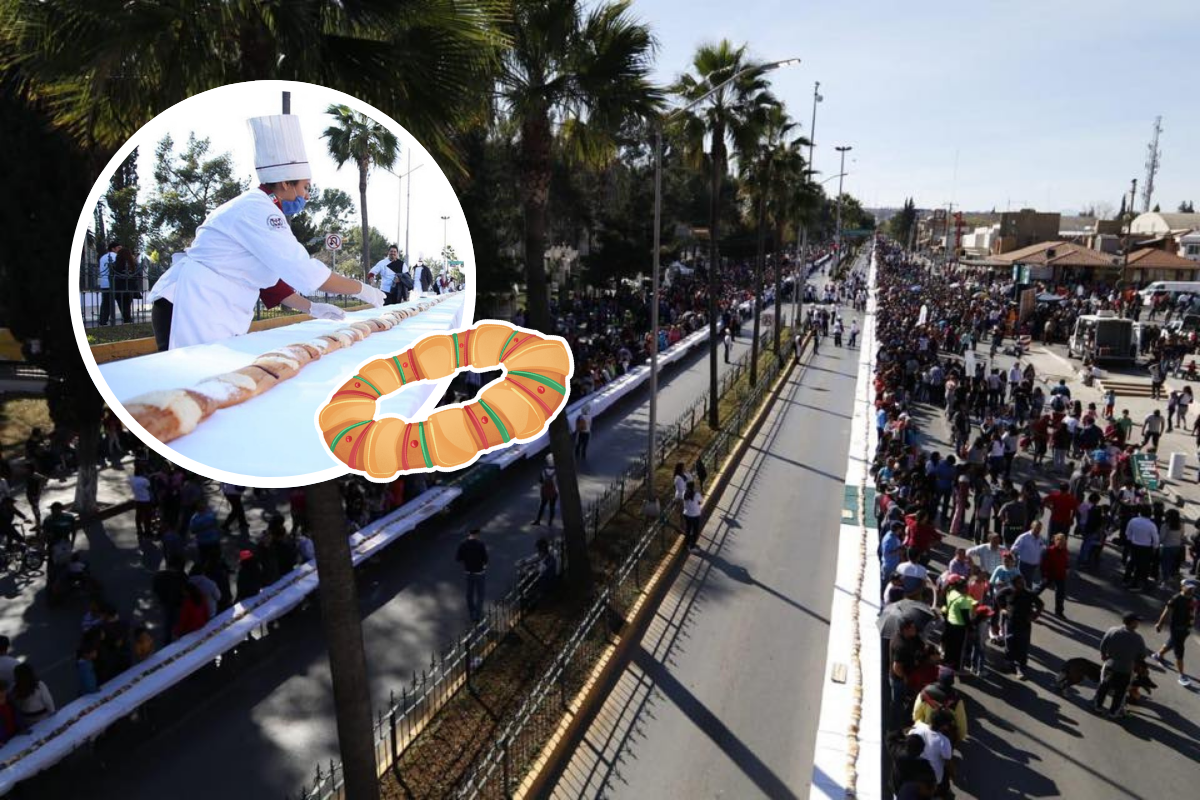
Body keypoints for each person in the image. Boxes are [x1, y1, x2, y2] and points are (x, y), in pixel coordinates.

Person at [145, 113, 382, 350]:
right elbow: (306, 272)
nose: (307, 196)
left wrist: (311, 308)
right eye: (305, 187)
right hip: (192, 303)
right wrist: (363, 290)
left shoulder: (263, 208)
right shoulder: (257, 209)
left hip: (211, 304)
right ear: (286, 184)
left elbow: (270, 280)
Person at [1094, 613, 1146, 717]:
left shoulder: (1113, 630)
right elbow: (1142, 655)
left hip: (1110, 665)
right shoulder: (1138, 638)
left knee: (1103, 686)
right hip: (1125, 669)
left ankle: (1098, 706)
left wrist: (1104, 655)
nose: (1138, 624)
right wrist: (1134, 661)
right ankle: (1113, 712)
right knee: (1120, 692)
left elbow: (1103, 644)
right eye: (1137, 622)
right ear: (1132, 623)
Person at [1152, 578, 1197, 687]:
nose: (1191, 590)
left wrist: (1190, 625)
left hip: (1186, 629)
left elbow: (1193, 613)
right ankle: (1181, 675)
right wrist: (1160, 623)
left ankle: (1158, 655)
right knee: (1179, 651)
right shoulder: (1176, 598)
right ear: (1182, 587)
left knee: (1172, 643)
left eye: (1193, 588)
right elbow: (1166, 611)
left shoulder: (1193, 599)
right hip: (1177, 628)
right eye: (1189, 588)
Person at [996, 574, 1043, 678]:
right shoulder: (1008, 591)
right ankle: (1008, 663)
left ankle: (1020, 668)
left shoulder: (1029, 594)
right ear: (1013, 584)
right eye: (1020, 583)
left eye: (1023, 583)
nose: (1022, 585)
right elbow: (998, 596)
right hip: (1010, 624)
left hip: (1024, 625)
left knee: (1022, 647)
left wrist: (1034, 616)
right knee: (1009, 643)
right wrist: (1002, 609)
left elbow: (1040, 604)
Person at [1123, 507, 1159, 591]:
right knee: (1141, 566)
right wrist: (1155, 547)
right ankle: (1135, 584)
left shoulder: (1133, 520)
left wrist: (1131, 540)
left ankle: (1126, 579)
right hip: (1146, 548)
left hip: (1134, 545)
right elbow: (1155, 538)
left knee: (1131, 562)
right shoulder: (1151, 525)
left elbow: (1128, 533)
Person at [456, 528, 488, 623]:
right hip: (479, 572)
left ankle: (472, 612)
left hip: (468, 572)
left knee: (469, 593)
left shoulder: (463, 544)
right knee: (480, 594)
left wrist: (466, 562)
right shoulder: (480, 544)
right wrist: (484, 566)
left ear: (469, 534)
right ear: (477, 534)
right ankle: (477, 615)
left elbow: (458, 558)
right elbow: (485, 559)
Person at [1011, 521, 1046, 588]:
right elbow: (1013, 549)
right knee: (1026, 583)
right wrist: (1014, 560)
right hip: (1024, 565)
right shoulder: (1024, 537)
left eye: (1039, 528)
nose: (1038, 530)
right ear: (1031, 527)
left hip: (1034, 566)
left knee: (1027, 582)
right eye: (1036, 528)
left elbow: (1042, 548)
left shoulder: (1040, 538)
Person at [97, 240, 120, 326]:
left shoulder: (102, 257)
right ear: (113, 249)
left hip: (104, 283)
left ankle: (103, 320)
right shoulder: (116, 256)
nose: (119, 249)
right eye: (118, 248)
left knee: (105, 303)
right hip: (114, 283)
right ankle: (126, 319)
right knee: (121, 301)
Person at [531, 455, 558, 527]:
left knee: (542, 506)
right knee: (552, 507)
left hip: (545, 492)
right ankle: (550, 522)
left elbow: (540, 482)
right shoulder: (557, 472)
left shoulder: (543, 471)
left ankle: (538, 520)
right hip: (554, 492)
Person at [682, 480, 704, 553]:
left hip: (686, 514)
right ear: (693, 486)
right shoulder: (696, 494)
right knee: (695, 531)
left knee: (688, 530)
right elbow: (701, 501)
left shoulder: (684, 493)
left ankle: (687, 544)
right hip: (695, 515)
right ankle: (692, 547)